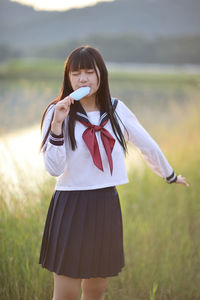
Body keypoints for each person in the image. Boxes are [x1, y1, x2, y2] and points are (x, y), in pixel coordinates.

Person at [39, 45, 189, 300]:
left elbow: (147, 144)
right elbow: (53, 169)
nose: (83, 79)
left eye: (89, 71)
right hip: (70, 204)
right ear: (68, 77)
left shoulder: (117, 110)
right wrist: (56, 125)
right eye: (76, 73)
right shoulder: (58, 111)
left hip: (105, 203)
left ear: (101, 74)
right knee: (66, 292)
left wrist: (169, 174)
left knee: (96, 290)